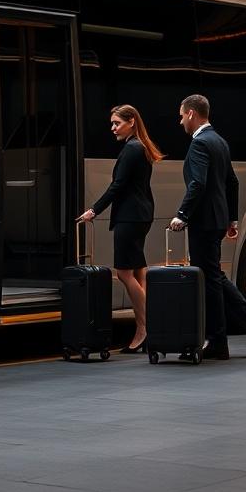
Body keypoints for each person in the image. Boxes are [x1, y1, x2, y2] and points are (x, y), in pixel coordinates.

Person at [169, 94, 246, 360]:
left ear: (191, 113)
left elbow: (198, 184)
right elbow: (232, 182)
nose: (180, 122)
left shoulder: (200, 144)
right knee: (213, 276)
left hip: (203, 221)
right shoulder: (219, 141)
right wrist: (231, 219)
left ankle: (225, 335)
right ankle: (232, 332)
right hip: (216, 219)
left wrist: (182, 214)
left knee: (209, 279)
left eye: (181, 116)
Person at [79, 104, 163, 353]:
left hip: (130, 217)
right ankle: (143, 329)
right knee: (139, 270)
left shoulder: (132, 149)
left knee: (124, 273)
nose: (113, 128)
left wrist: (93, 210)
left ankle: (149, 327)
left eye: (117, 123)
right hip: (141, 215)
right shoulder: (141, 147)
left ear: (131, 122)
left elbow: (117, 186)